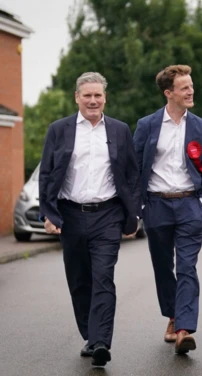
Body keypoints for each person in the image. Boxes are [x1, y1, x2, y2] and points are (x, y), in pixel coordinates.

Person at [39, 72, 140, 367]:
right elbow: (46, 174)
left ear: (105, 97)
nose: (93, 100)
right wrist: (48, 213)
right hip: (70, 215)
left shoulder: (120, 130)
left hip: (107, 215)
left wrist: (132, 214)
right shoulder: (59, 130)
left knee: (103, 278)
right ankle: (89, 334)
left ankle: (100, 342)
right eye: (87, 95)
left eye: (98, 95)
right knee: (80, 281)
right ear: (77, 98)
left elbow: (132, 175)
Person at [133, 65, 202, 354]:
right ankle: (172, 316)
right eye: (184, 87)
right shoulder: (146, 125)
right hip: (156, 205)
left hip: (189, 204)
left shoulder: (200, 126)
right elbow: (135, 167)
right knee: (162, 267)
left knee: (187, 267)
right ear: (169, 93)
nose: (191, 91)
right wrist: (139, 206)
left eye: (191, 85)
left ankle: (183, 329)